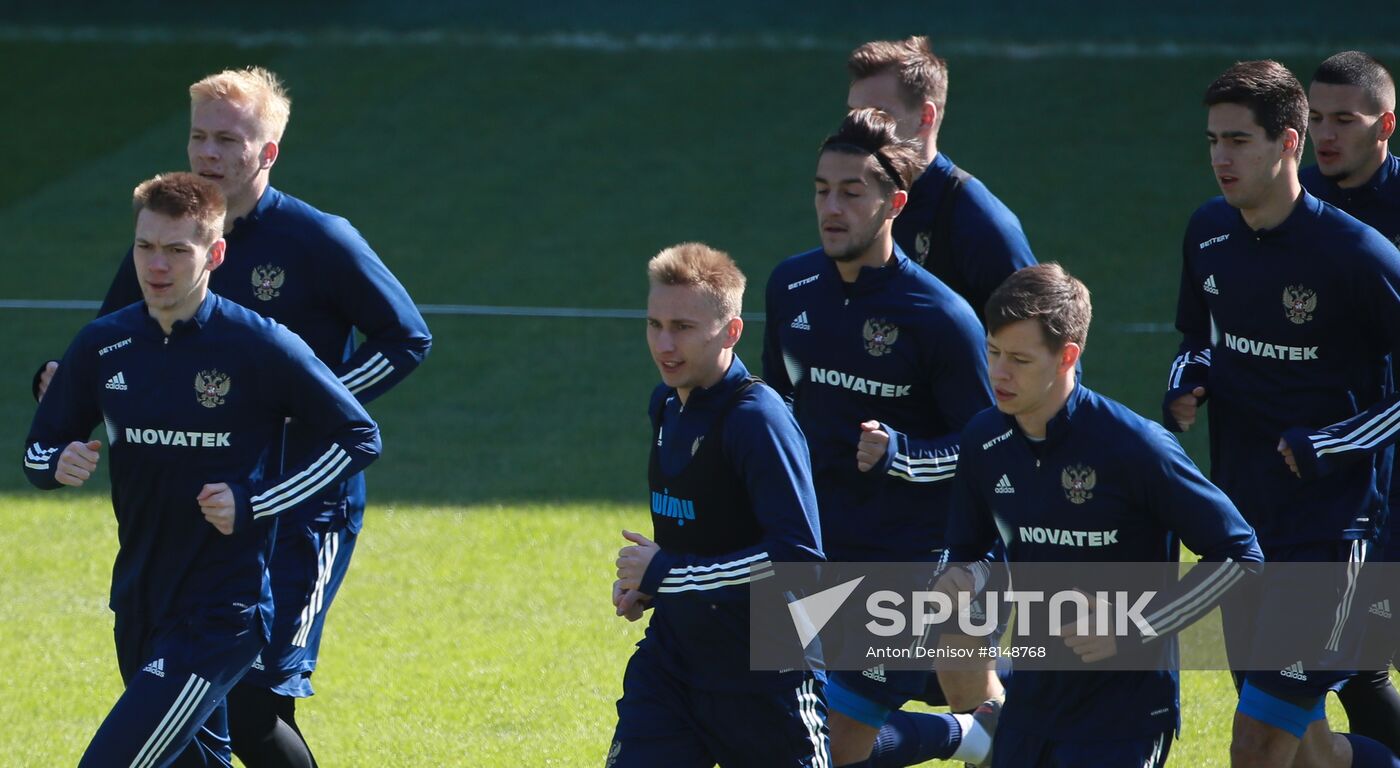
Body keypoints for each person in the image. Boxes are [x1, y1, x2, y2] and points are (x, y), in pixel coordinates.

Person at [32, 66, 431, 767]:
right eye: (197, 137)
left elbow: (407, 339)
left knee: (251, 701)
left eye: (227, 139)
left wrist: (303, 410)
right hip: (199, 518)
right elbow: (111, 344)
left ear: (267, 151)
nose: (207, 154)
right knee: (204, 718)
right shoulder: (172, 238)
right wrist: (61, 394)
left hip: (306, 505)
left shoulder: (319, 240)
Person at [1164, 60, 1400, 768]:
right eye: (1212, 140)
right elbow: (1197, 339)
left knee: (1258, 741)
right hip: (1240, 526)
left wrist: (1331, 444)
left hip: (1329, 529)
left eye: (1238, 140)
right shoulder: (1208, 232)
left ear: (1288, 142)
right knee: (1308, 750)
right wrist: (1186, 383)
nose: (1220, 158)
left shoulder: (1358, 255)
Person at [936, 262, 1262, 767]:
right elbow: (970, 550)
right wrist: (958, 576)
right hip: (1032, 703)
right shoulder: (984, 440)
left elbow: (1240, 555)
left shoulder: (1134, 447)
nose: (998, 373)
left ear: (1067, 356)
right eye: (993, 352)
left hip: (1125, 715)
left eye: (1019, 359)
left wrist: (1132, 628)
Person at [763, 107, 998, 768]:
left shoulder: (941, 317)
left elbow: (987, 449)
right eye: (821, 190)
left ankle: (973, 729)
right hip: (813, 549)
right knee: (783, 732)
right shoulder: (792, 287)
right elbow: (775, 409)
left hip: (904, 559)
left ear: (894, 203)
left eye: (851, 192)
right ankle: (985, 732)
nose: (831, 207)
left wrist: (903, 458)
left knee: (832, 744)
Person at [608, 242, 829, 767]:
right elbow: (709, 531)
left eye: (683, 327)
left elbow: (800, 564)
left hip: (764, 678)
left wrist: (668, 573)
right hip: (673, 665)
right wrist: (651, 584)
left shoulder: (758, 420)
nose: (664, 343)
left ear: (731, 331)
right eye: (654, 324)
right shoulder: (666, 403)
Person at [1300, 51, 1400, 755]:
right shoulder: (1300, 197)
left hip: (1384, 456)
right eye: (1313, 119)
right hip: (1340, 463)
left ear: (1385, 125)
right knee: (1356, 658)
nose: (1324, 134)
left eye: (1344, 119)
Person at [845, 36, 1036, 318]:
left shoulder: (980, 223)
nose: (860, 130)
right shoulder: (849, 202)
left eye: (879, 115)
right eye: (853, 115)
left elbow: (1044, 350)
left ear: (925, 118)